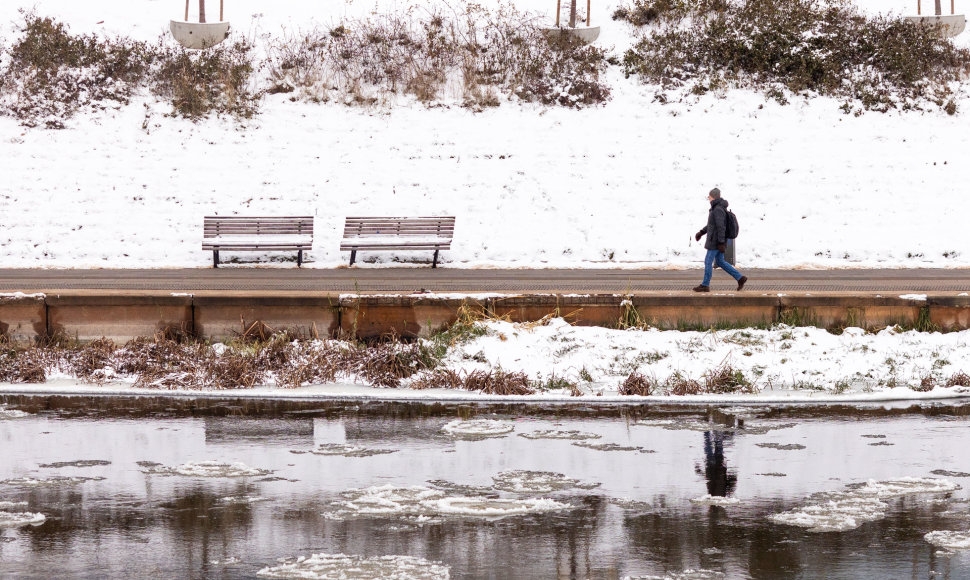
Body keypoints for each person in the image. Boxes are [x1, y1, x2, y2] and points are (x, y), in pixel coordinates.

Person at [693, 187, 747, 292]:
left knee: (708, 261)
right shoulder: (717, 208)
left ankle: (705, 285)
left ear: (713, 196)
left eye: (709, 196)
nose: (708, 198)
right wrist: (701, 232)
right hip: (717, 241)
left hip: (716, 242)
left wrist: (721, 243)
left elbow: (721, 227)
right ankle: (740, 278)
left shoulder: (717, 209)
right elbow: (711, 225)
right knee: (720, 262)